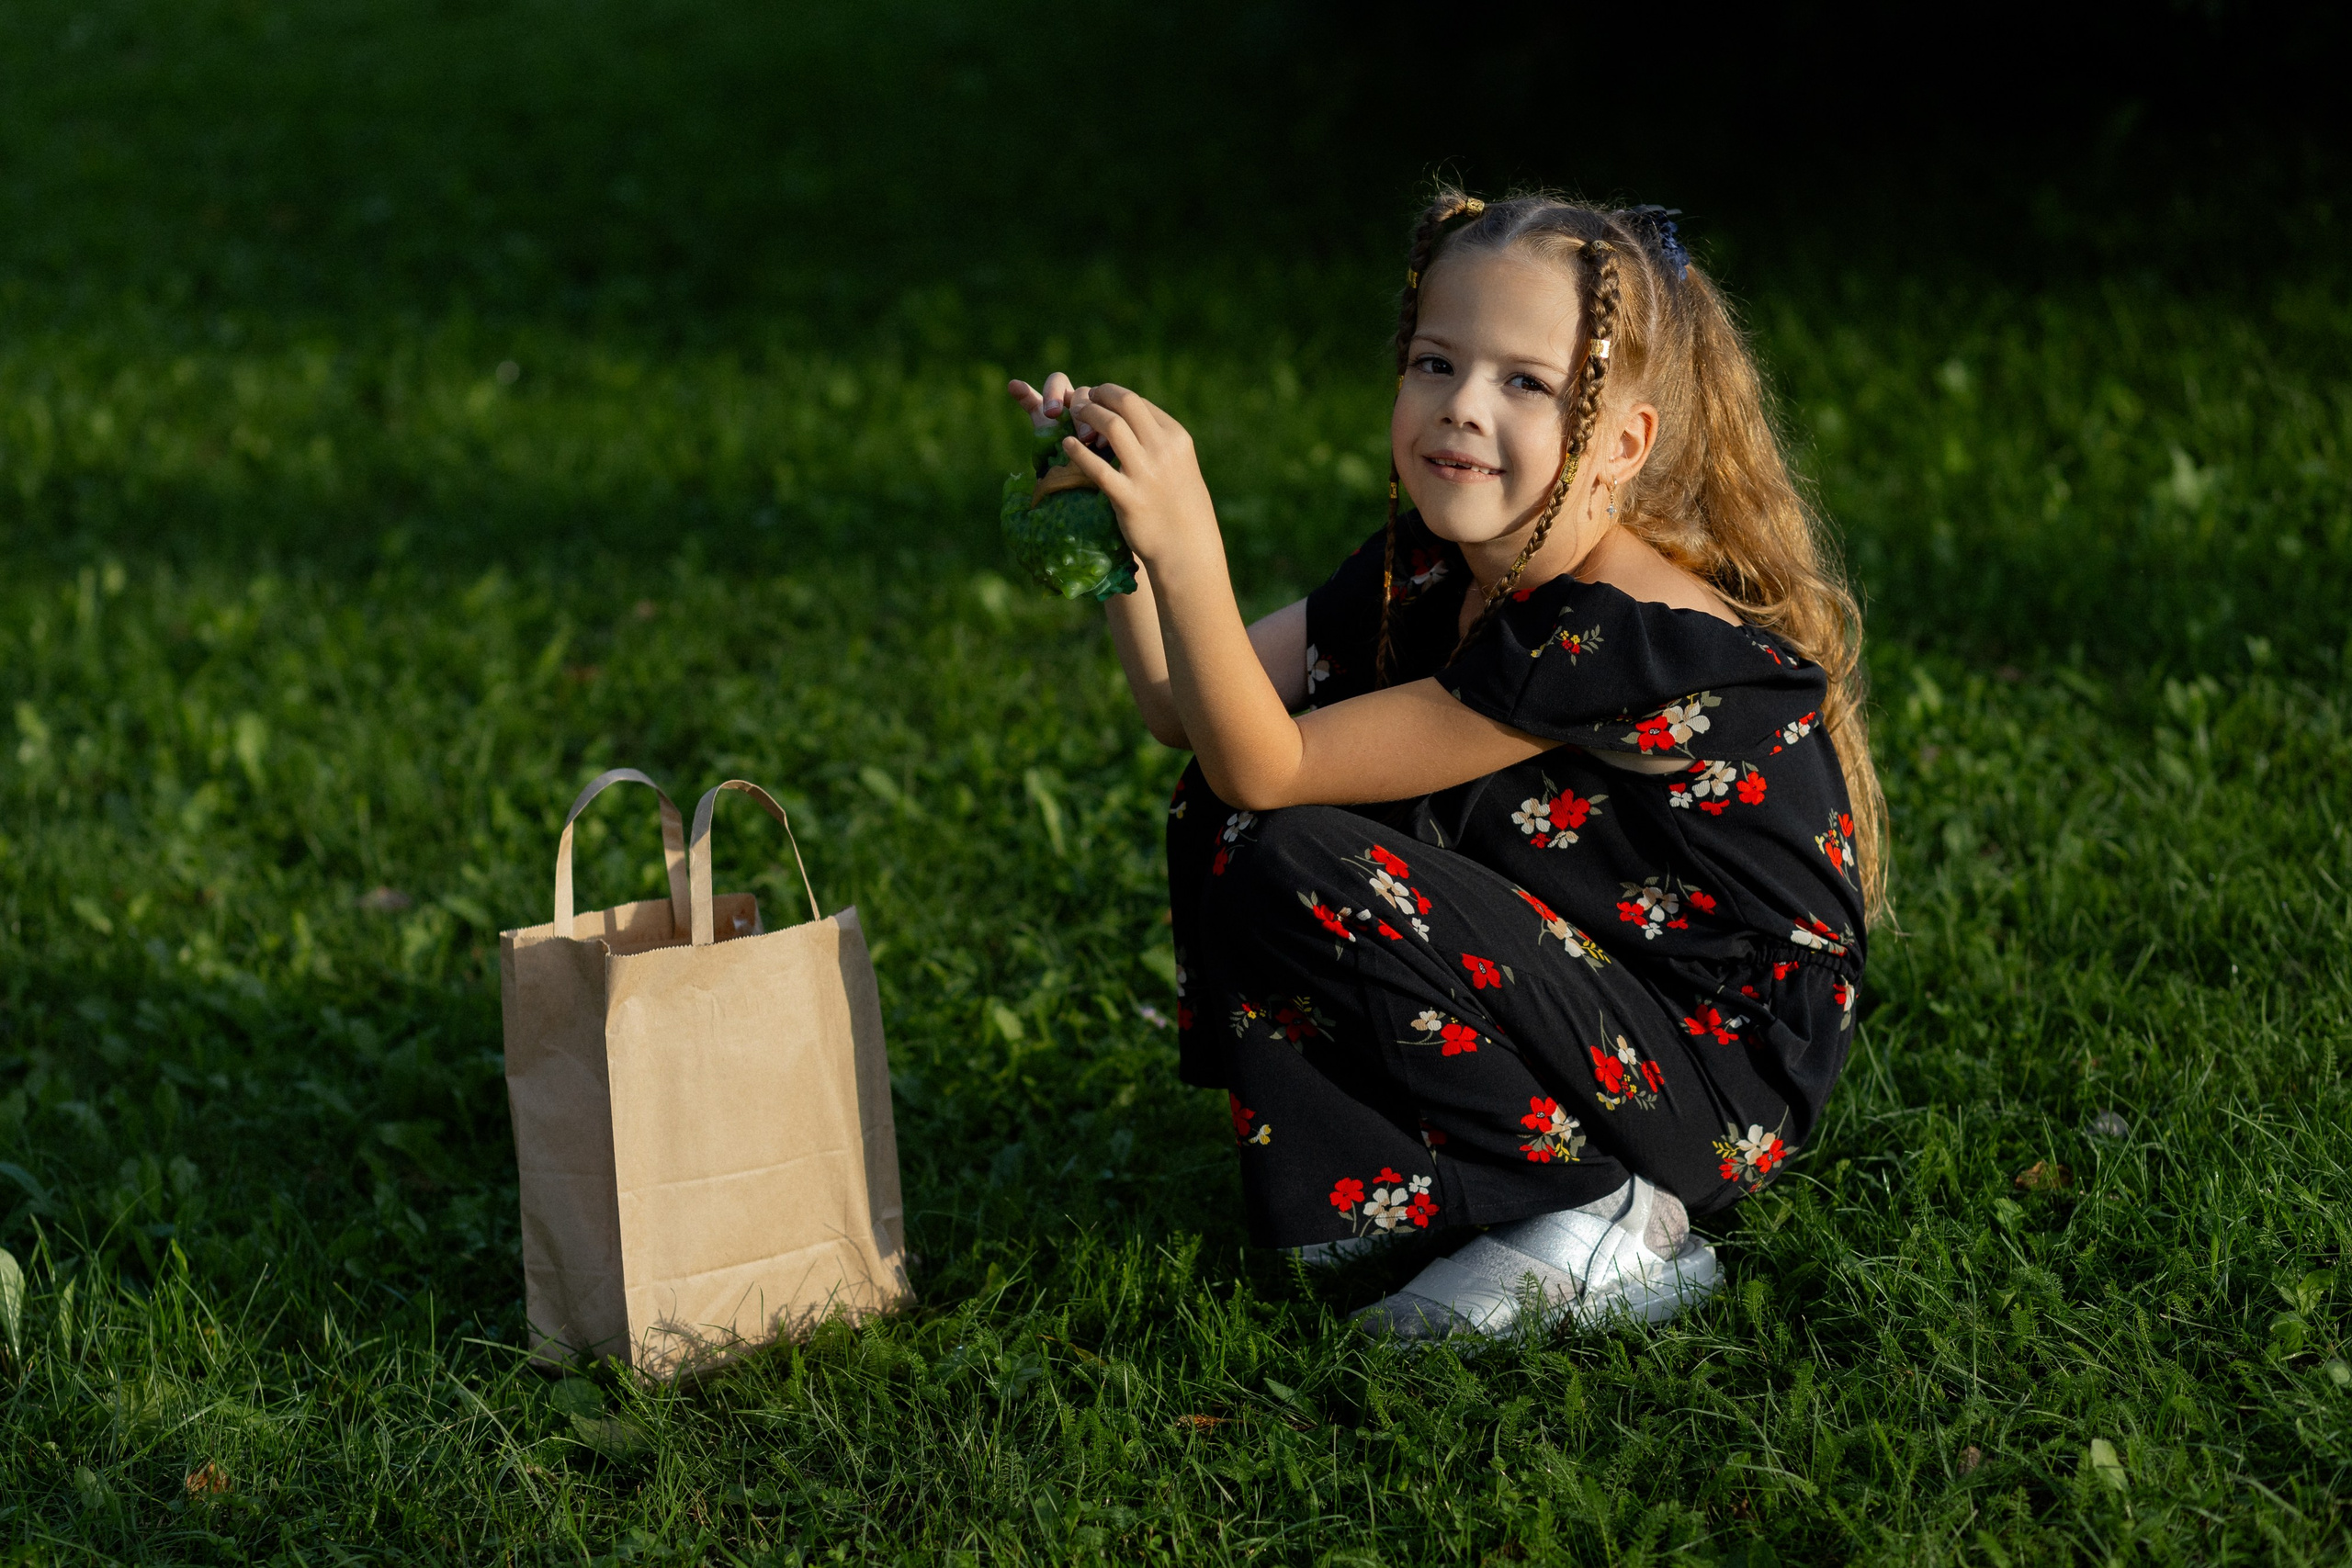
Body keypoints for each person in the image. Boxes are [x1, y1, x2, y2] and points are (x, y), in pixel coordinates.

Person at [1007, 189, 1885, 1340]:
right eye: (1435, 362)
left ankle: (1602, 1213)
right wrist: (1126, 543)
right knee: (1234, 825)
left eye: (1525, 382)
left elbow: (1265, 768)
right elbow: (1189, 711)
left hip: (1711, 1071)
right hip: (1597, 985)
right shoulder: (1435, 563)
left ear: (1624, 444)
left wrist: (1192, 538)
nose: (1462, 408)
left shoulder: (1612, 629)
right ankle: (1464, 1177)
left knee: (1292, 845)